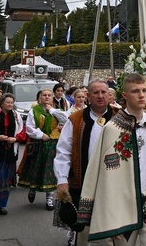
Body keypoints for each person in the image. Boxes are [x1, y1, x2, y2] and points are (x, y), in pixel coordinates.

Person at [77, 73, 146, 245]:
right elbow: (106, 178)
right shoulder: (112, 129)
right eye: (136, 91)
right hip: (123, 205)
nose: (142, 95)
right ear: (125, 95)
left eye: (144, 90)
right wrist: (109, 217)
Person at [54, 80, 118, 246]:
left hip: (114, 184)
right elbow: (63, 151)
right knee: (83, 230)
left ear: (110, 95)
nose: (100, 96)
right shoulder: (75, 119)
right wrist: (62, 180)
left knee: (112, 231)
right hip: (82, 183)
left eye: (104, 92)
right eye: (95, 93)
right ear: (88, 96)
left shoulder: (120, 117)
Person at [17, 88, 68, 210]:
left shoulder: (58, 111)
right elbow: (29, 127)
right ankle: (32, 189)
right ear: (40, 98)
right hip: (40, 144)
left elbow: (66, 120)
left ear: (52, 97)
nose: (46, 97)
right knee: (37, 167)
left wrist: (51, 110)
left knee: (50, 171)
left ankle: (49, 198)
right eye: (44, 95)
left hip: (54, 144)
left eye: (49, 95)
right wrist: (40, 135)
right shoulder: (34, 111)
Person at [0, 93, 26, 215]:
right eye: (7, 102)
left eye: (12, 102)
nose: (10, 105)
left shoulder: (16, 115)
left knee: (6, 179)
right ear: (1, 103)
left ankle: (1, 205)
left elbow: (22, 131)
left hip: (10, 151)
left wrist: (15, 138)